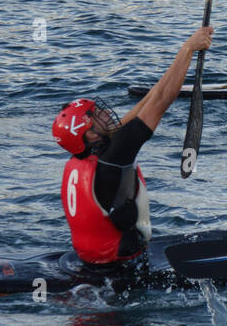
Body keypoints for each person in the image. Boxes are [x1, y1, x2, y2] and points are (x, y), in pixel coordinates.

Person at [52, 27, 213, 266]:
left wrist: (184, 53)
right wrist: (188, 48)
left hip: (90, 260)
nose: (106, 112)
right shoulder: (115, 156)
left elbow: (150, 99)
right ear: (92, 135)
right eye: (97, 114)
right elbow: (163, 100)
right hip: (122, 268)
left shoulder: (87, 155)